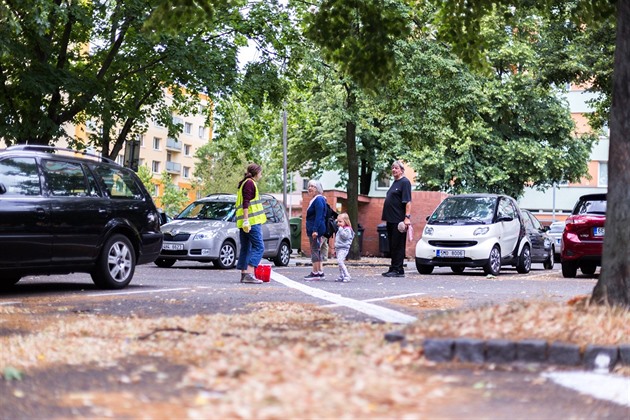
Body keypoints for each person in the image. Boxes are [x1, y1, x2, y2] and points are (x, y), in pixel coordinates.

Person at [235, 163, 267, 284]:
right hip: (251, 222)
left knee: (246, 248)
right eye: (260, 173)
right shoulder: (249, 183)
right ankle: (249, 272)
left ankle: (244, 275)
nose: (261, 175)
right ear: (256, 173)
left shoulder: (244, 182)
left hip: (245, 223)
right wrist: (246, 219)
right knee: (259, 247)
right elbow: (246, 203)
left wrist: (244, 221)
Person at [381, 160, 412, 277]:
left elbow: (408, 201)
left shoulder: (405, 182)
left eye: (396, 168)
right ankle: (393, 267)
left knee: (398, 245)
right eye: (393, 168)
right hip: (391, 220)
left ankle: (398, 269)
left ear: (402, 170)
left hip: (399, 220)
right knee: (392, 245)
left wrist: (407, 218)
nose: (394, 170)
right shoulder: (395, 183)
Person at [304, 179, 327, 280]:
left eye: (313, 186)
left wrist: (315, 230)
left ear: (318, 189)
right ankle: (320, 272)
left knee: (314, 250)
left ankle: (315, 272)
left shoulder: (318, 199)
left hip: (316, 230)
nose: (310, 188)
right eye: (309, 186)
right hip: (315, 229)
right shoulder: (316, 199)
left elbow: (319, 216)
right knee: (317, 250)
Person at [334, 212, 355, 283]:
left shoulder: (347, 229)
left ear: (345, 221)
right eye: (338, 221)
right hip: (338, 247)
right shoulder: (342, 228)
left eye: (340, 221)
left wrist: (340, 229)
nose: (338, 223)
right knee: (339, 262)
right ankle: (341, 275)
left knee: (340, 261)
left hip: (344, 248)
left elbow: (345, 236)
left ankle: (347, 275)